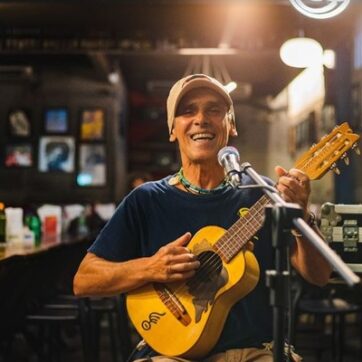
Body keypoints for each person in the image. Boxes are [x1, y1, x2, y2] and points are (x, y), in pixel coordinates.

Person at [74, 74, 332, 362]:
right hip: (172, 353)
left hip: (259, 352)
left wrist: (302, 213)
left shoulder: (267, 195)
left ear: (230, 125)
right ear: (172, 129)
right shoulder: (146, 200)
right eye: (187, 111)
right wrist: (150, 268)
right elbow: (84, 280)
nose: (201, 119)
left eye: (214, 110)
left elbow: (320, 276)